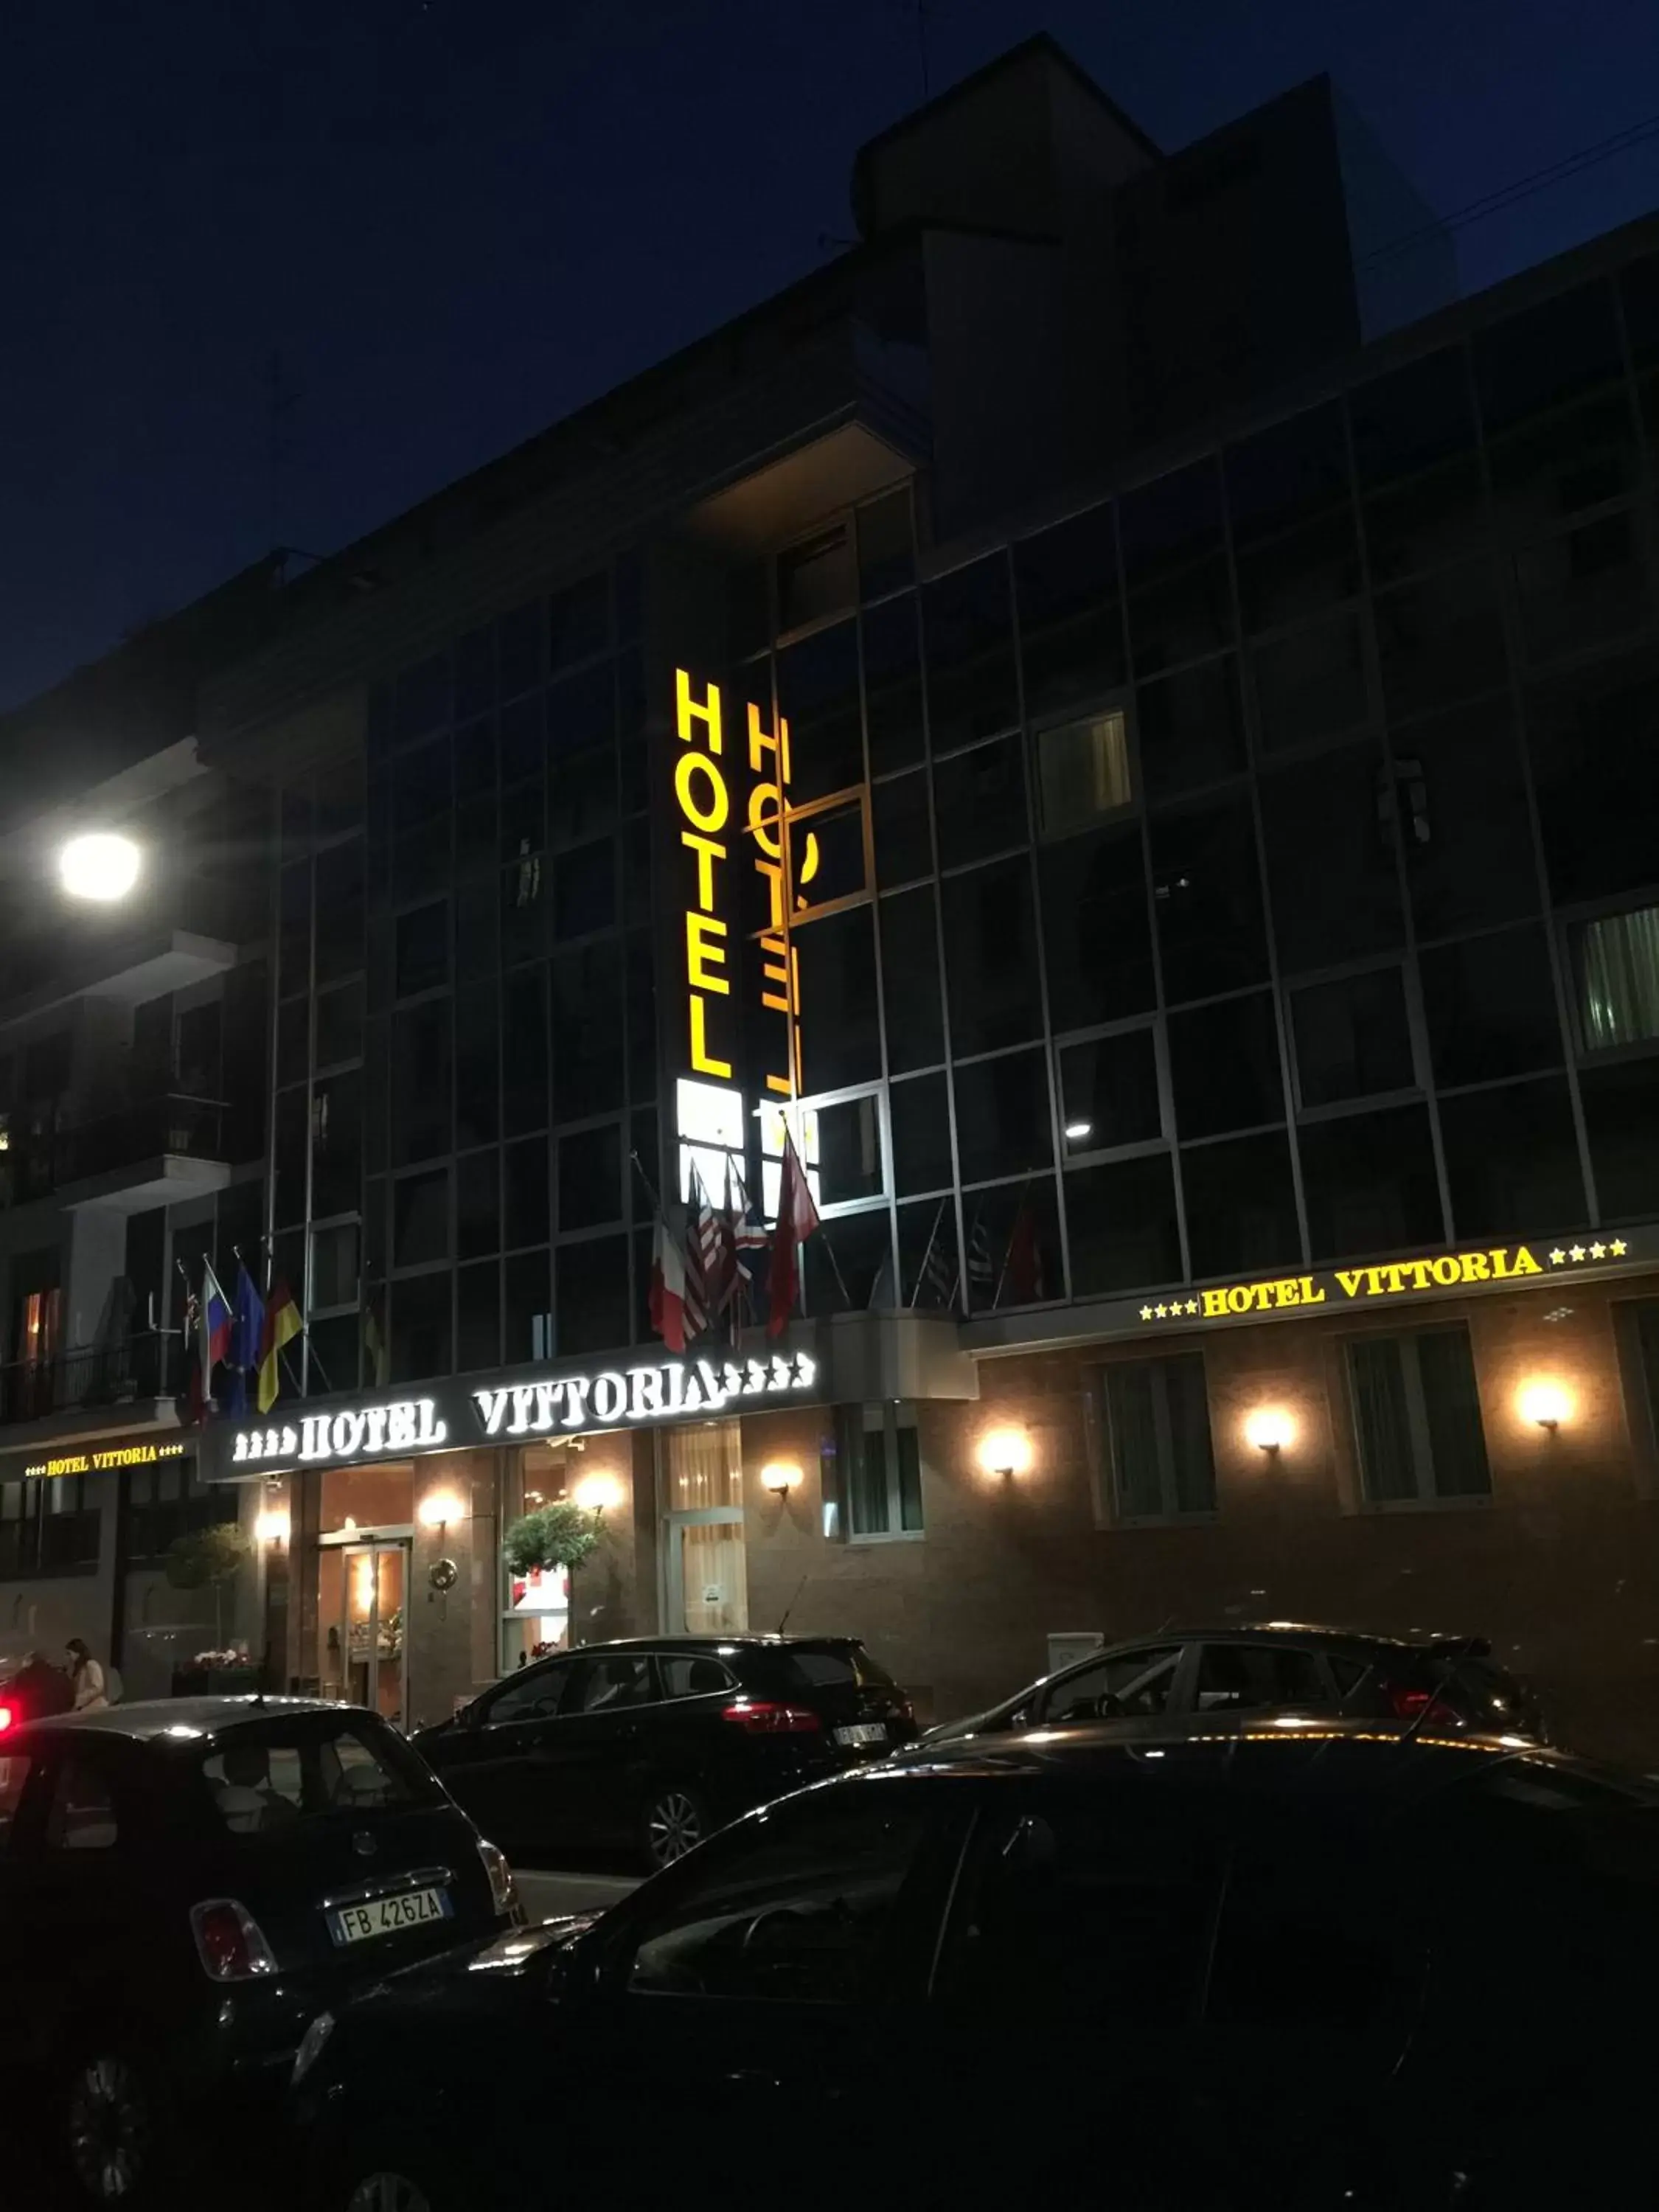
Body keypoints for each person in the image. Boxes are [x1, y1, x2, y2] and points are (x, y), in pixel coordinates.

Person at [7, 1650, 74, 1720]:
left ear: (28, 1663)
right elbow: (70, 1697)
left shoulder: (21, 1678)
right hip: (59, 1720)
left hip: (30, 1722)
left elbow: (10, 1697)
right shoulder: (60, 1675)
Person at [66, 1638, 109, 1712]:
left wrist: (80, 1699)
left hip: (96, 1707)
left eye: (70, 1653)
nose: (69, 1657)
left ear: (77, 1653)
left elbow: (97, 1687)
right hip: (85, 1707)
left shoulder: (91, 1665)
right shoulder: (80, 1669)